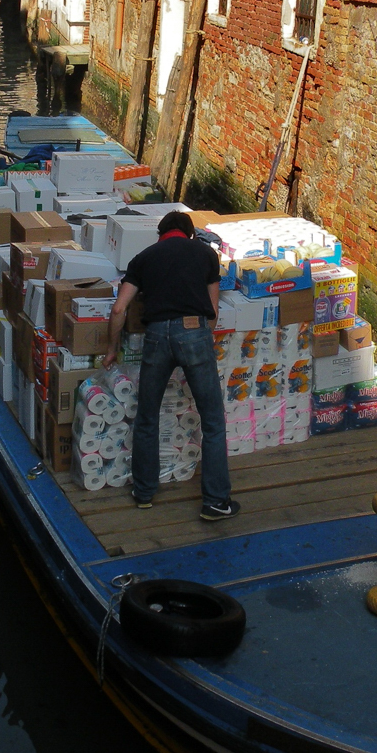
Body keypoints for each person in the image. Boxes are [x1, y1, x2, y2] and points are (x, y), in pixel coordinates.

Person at [103, 211, 240, 521]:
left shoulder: (144, 258)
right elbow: (213, 311)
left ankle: (144, 492)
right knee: (213, 421)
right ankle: (217, 502)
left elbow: (119, 308)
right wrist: (201, 341)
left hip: (155, 336)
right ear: (190, 234)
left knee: (147, 416)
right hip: (194, 332)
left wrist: (111, 350)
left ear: (160, 234)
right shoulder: (205, 254)